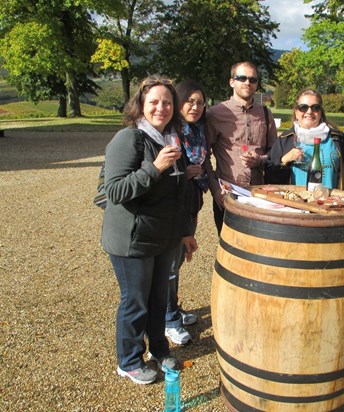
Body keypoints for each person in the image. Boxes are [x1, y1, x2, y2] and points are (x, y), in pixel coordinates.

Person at [101, 75, 198, 384]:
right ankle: (128, 361)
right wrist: (154, 168)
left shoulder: (170, 138)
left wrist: (185, 232)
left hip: (164, 237)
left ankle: (158, 349)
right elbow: (115, 190)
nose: (161, 107)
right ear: (141, 105)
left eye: (167, 102)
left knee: (158, 299)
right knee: (136, 301)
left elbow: (178, 194)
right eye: (154, 102)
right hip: (133, 240)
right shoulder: (129, 139)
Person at [205, 61, 278, 234]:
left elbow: (276, 153)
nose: (247, 82)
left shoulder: (266, 114)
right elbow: (203, 157)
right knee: (229, 249)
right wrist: (215, 191)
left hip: (259, 195)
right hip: (227, 194)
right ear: (232, 82)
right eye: (242, 78)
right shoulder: (216, 114)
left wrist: (259, 161)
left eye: (252, 79)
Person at [164, 79, 209, 345]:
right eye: (190, 101)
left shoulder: (197, 130)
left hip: (191, 200)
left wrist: (198, 171)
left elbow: (200, 162)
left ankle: (172, 307)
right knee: (170, 262)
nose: (195, 106)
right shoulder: (171, 132)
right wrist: (186, 170)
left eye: (200, 102)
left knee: (178, 259)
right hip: (173, 204)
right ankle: (168, 319)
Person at [265, 88, 344, 190]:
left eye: (315, 107)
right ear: (296, 112)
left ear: (321, 112)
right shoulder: (285, 140)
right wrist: (283, 161)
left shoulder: (337, 139)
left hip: (330, 203)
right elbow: (269, 177)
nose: (309, 111)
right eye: (303, 107)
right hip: (294, 203)